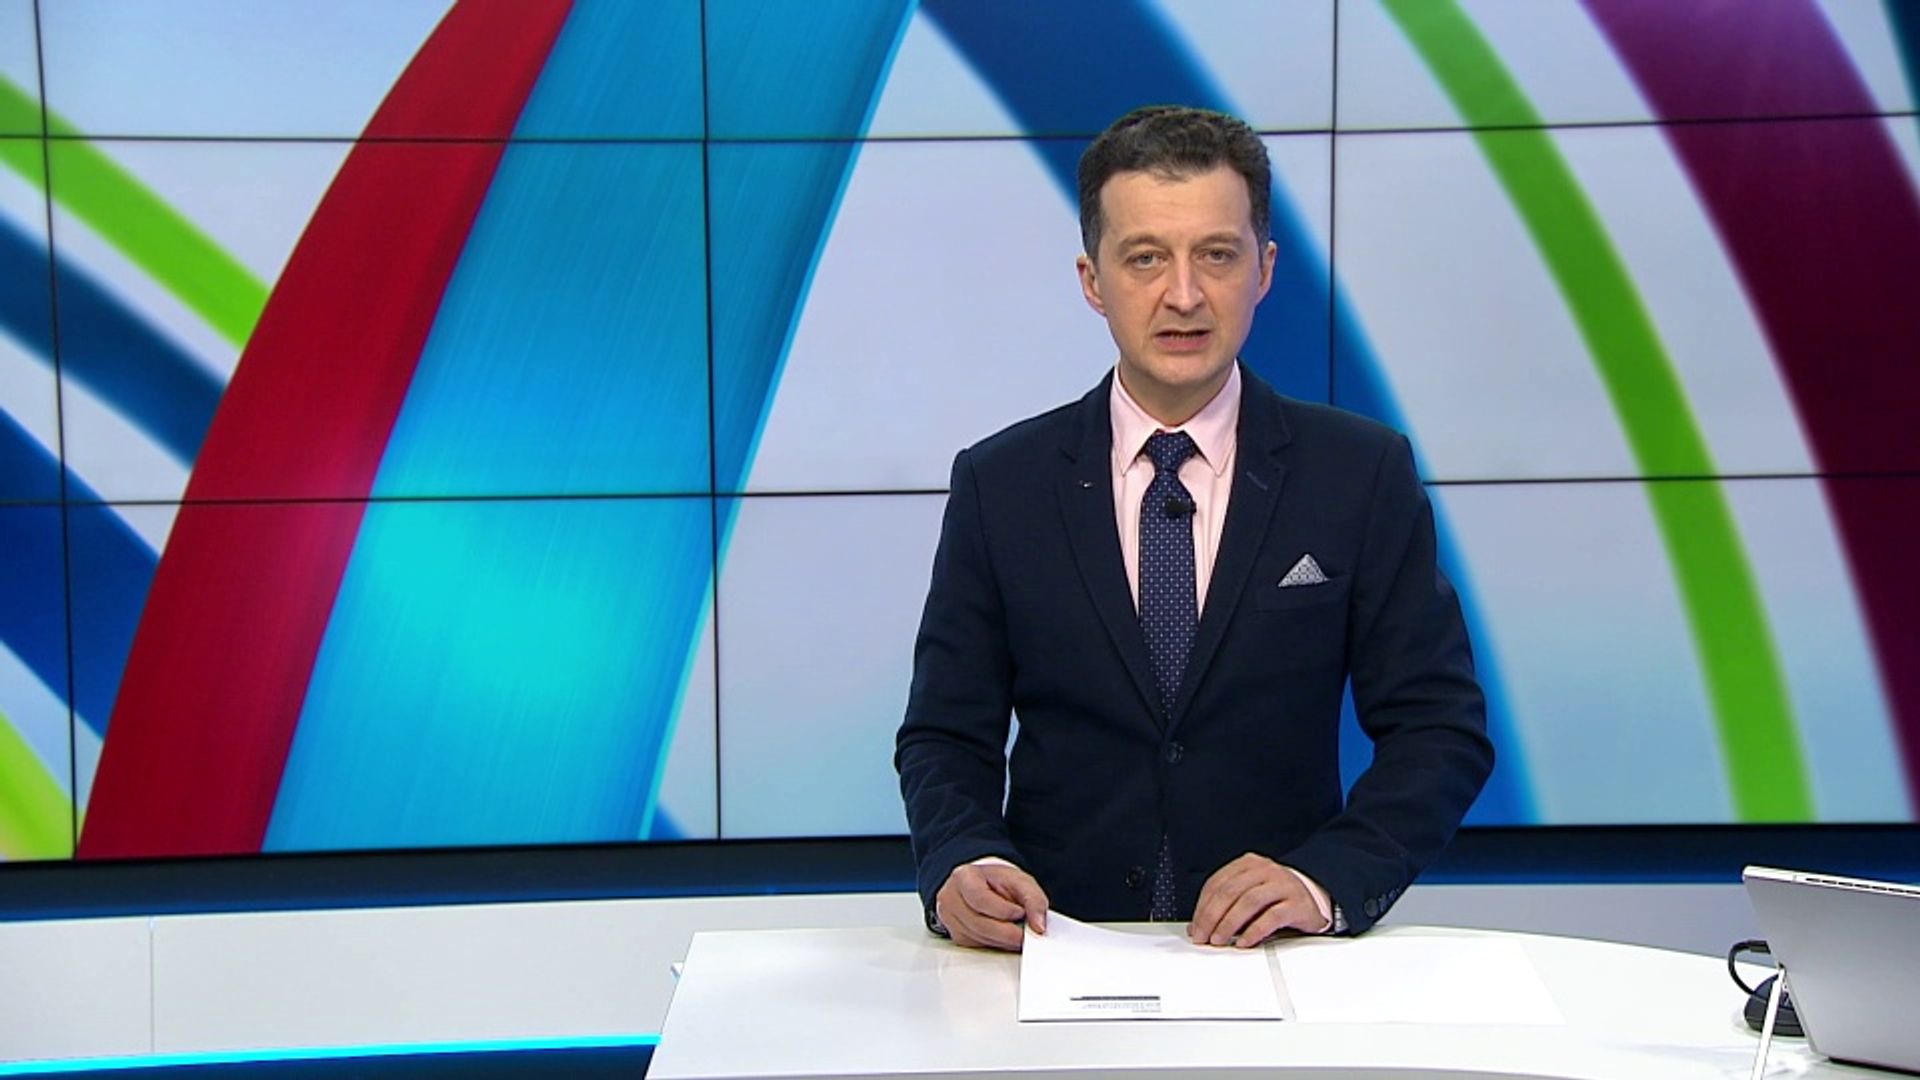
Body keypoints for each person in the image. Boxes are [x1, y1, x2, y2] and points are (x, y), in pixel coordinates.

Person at [895, 105, 1493, 952]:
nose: (1184, 295)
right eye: (1145, 258)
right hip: (1055, 951)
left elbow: (1439, 729)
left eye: (1217, 254)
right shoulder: (1003, 484)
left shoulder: (1358, 474)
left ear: (1265, 268)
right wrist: (962, 859)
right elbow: (945, 734)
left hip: (1278, 957)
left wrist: (1324, 879)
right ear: (1092, 280)